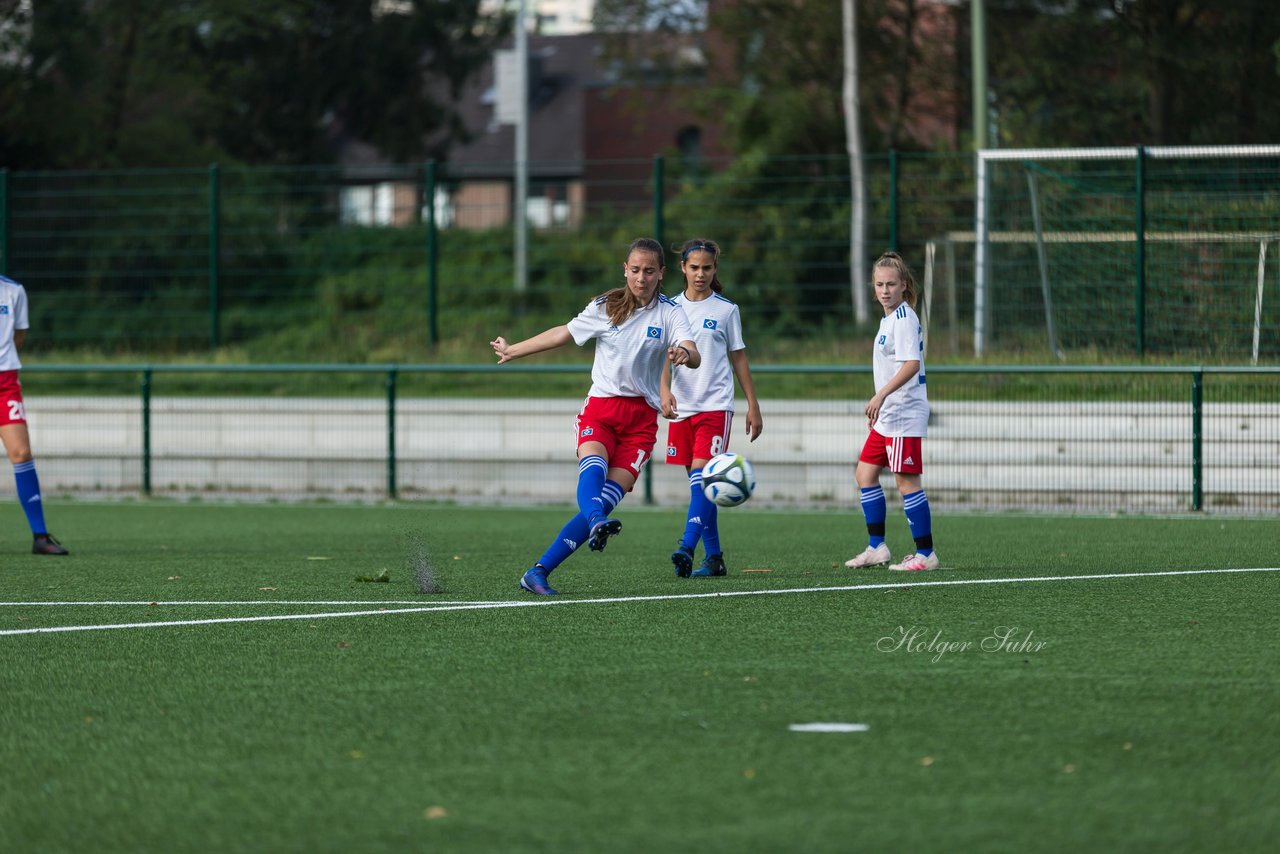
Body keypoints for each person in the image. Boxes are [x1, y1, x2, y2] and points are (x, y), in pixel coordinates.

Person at [491, 238, 700, 596]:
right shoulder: (606, 306)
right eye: (635, 270)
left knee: (602, 499)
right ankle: (595, 522)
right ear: (625, 269)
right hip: (602, 408)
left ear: (662, 273)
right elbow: (563, 333)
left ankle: (538, 571)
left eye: (649, 271)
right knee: (594, 472)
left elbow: (693, 352)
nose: (641, 278)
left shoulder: (670, 312)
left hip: (641, 422)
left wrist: (684, 353)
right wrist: (514, 351)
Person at [660, 239, 762, 579]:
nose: (700, 274)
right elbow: (660, 355)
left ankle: (687, 547)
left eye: (706, 268)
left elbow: (739, 357)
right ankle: (715, 558)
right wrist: (663, 390)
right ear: (682, 269)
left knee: (703, 479)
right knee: (701, 485)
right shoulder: (670, 309)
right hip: (682, 408)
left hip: (716, 406)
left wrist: (753, 405)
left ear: (714, 269)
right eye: (694, 267)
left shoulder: (725, 310)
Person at [844, 251, 937, 572]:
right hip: (887, 417)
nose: (885, 290)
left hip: (902, 414)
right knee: (864, 474)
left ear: (904, 285)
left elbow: (911, 364)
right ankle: (876, 547)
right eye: (879, 284)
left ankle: (925, 553)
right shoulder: (888, 320)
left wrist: (881, 394)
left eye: (891, 284)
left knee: (907, 483)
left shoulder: (904, 318)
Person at [0, 274, 69, 555]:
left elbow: (18, 337)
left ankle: (40, 536)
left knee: (21, 453)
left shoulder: (14, 291)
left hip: (5, 384)